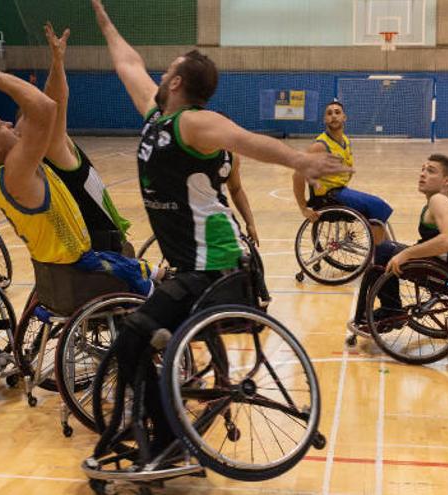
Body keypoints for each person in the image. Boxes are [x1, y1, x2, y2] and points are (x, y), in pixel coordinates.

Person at [89, 0, 347, 462]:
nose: (159, 73)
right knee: (141, 342)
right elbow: (127, 63)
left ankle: (166, 441)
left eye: (167, 70)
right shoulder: (157, 118)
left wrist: (301, 160)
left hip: (214, 265)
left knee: (133, 338)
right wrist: (104, 19)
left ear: (177, 82)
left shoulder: (194, 122)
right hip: (190, 264)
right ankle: (166, 435)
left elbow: (246, 140)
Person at [0, 67, 158, 297]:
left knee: (149, 270)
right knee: (152, 290)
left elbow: (46, 106)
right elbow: (46, 108)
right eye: (1, 125)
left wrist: (56, 62)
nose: (9, 125)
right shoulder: (15, 171)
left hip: (65, 264)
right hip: (78, 268)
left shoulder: (5, 172)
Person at [349, 154, 448, 329]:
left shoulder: (438, 201)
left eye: (431, 171)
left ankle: (391, 310)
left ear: (447, 181)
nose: (423, 174)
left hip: (438, 274)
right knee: (391, 249)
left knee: (382, 251)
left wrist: (406, 254)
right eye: (423, 169)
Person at [30, 22, 132, 254]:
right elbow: (55, 105)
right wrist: (57, 63)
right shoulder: (51, 150)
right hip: (98, 250)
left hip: (102, 242)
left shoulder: (60, 147)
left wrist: (58, 63)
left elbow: (53, 107)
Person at [294, 100, 393, 243]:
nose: (333, 116)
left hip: (340, 191)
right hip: (328, 197)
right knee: (378, 206)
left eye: (337, 112)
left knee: (376, 210)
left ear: (344, 117)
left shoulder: (345, 141)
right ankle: (378, 256)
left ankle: (383, 246)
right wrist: (303, 207)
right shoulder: (320, 147)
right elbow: (297, 174)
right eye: (329, 113)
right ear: (324, 120)